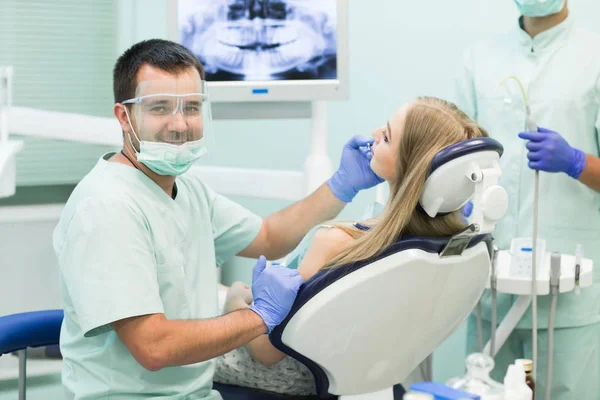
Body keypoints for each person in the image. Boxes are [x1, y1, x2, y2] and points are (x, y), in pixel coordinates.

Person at [52, 39, 383, 400]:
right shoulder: (107, 207)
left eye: (192, 107)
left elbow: (271, 236)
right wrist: (259, 316)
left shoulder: (188, 191)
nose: (179, 124)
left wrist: (342, 185)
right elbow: (154, 347)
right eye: (160, 107)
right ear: (124, 116)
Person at [213, 96, 489, 396]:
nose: (373, 134)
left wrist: (235, 305)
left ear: (407, 165)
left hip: (275, 373)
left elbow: (266, 353)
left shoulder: (334, 243)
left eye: (385, 136)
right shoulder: (434, 245)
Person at [455, 1, 600, 398]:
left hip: (568, 297)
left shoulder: (595, 55)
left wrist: (576, 161)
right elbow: (455, 159)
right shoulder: (478, 60)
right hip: (490, 288)